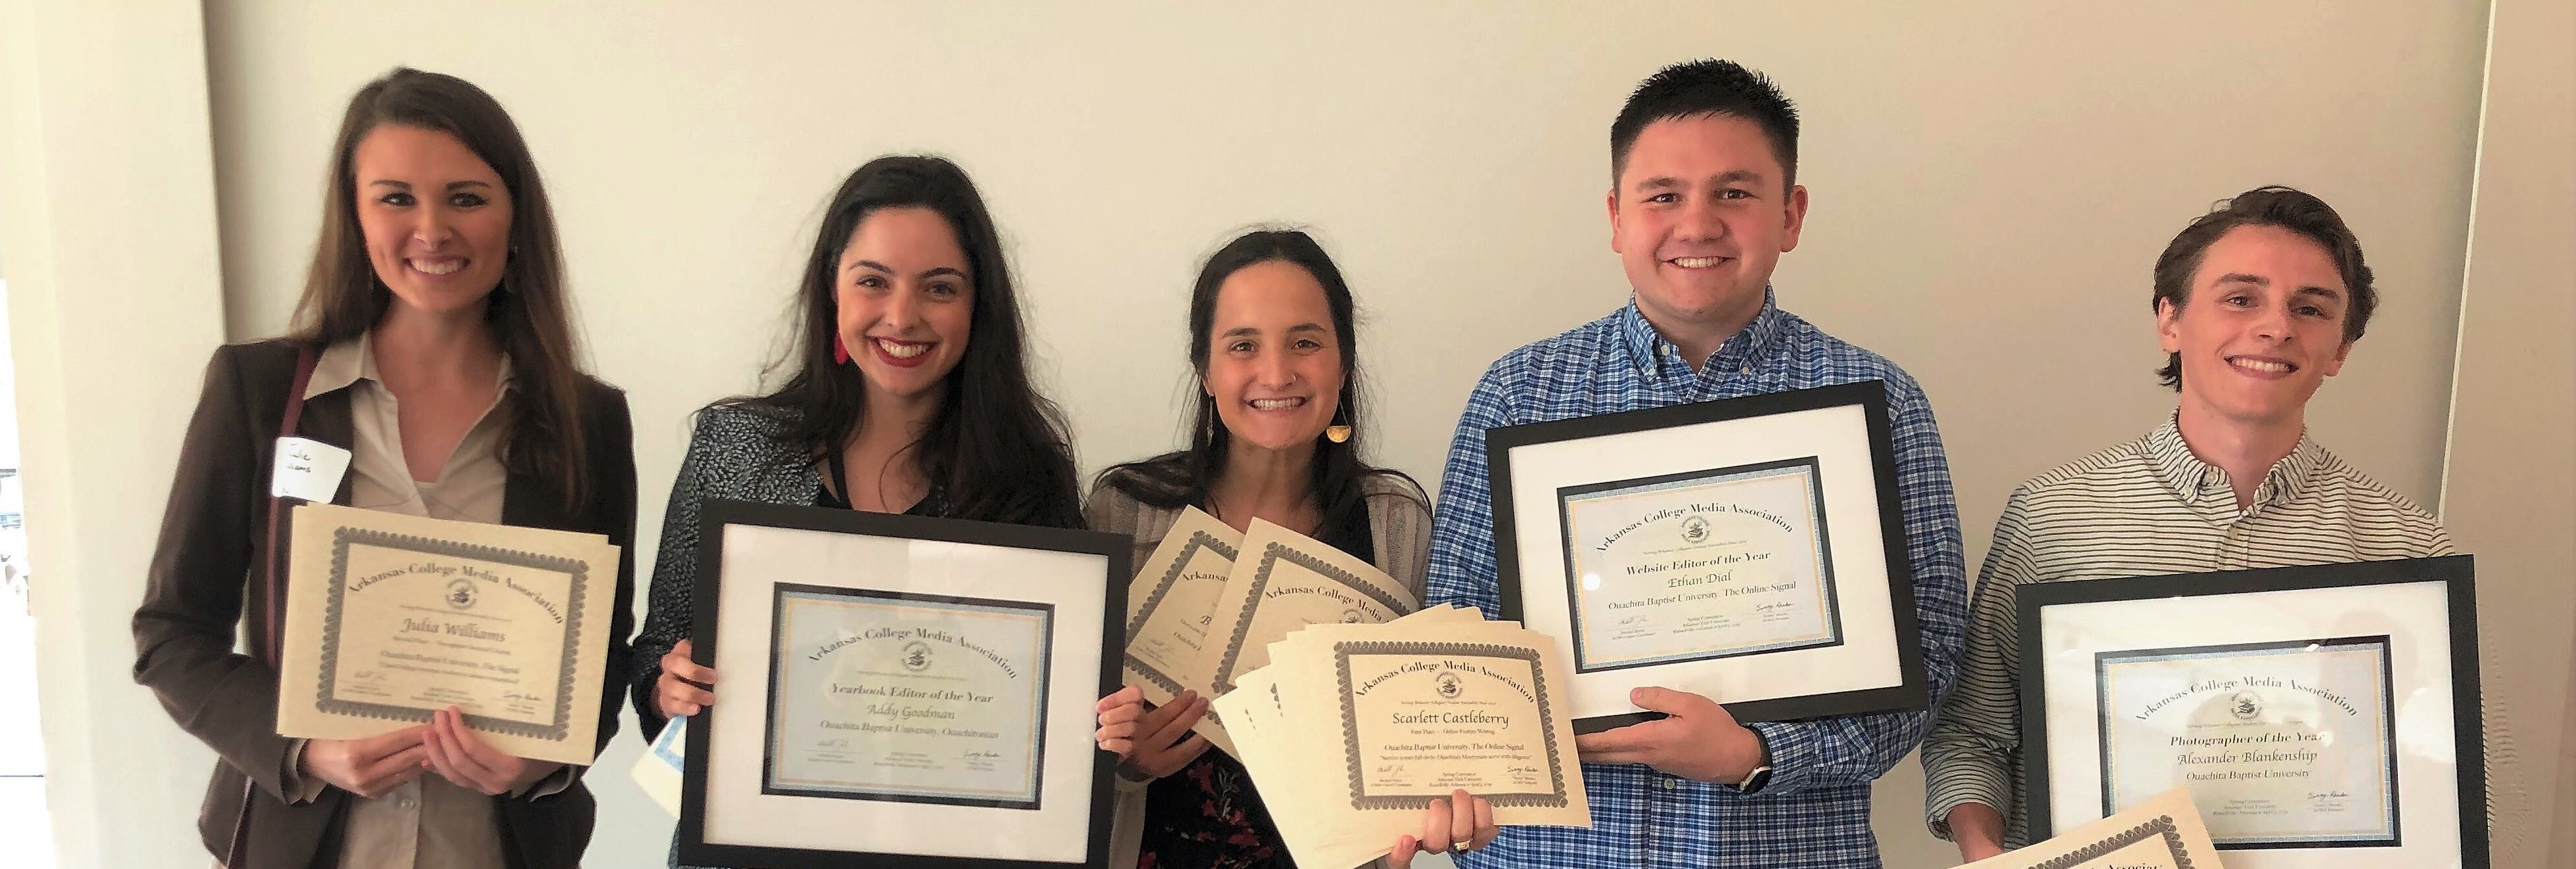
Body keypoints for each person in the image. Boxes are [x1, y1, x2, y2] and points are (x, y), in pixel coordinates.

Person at [1422, 59, 1970, 868]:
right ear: (1616, 217)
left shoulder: (1877, 400)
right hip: (1555, 851)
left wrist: (1758, 752)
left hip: (1787, 849)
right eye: (1663, 195)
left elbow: (1930, 652)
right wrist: (1467, 769)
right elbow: (1456, 640)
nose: (1698, 223)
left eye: (1735, 193)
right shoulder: (1520, 393)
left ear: (1792, 214)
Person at [1920, 185, 2525, 860]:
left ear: (2340, 350)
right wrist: (1990, 856)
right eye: (2241, 298)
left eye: (2311, 308)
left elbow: (2466, 779)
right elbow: (1970, 734)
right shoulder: (2052, 517)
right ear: (2170, 321)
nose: (2276, 327)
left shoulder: (2407, 547)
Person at [131, 67, 638, 868]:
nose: (431, 229)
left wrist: (548, 756)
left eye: (466, 197)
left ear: (515, 220)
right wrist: (306, 745)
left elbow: (603, 650)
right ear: (355, 216)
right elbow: (171, 635)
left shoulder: (588, 421)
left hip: (495, 846)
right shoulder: (260, 393)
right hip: (303, 844)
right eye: (396, 197)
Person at [629, 154, 1085, 868]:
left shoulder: (1029, 480)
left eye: (939, 288)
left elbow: (1048, 716)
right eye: (873, 281)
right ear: (832, 291)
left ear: (979, 307)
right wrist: (669, 688)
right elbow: (656, 652)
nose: (902, 316)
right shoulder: (736, 450)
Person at [1085, 229, 1490, 868]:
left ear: (1344, 363)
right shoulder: (1125, 509)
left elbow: (1412, 739)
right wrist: (1125, 763)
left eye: (1305, 342)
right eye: (1243, 345)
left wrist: (1440, 809)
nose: (1276, 372)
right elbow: (1062, 738)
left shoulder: (1394, 520)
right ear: (1207, 370)